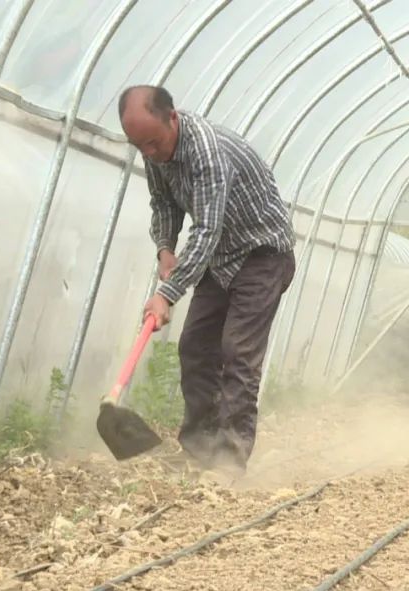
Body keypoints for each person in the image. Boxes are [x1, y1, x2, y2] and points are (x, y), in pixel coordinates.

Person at [118, 85, 296, 476]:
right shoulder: (153, 148)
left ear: (173, 119)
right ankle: (199, 448)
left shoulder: (208, 154)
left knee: (238, 352)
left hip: (262, 255)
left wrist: (167, 293)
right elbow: (163, 202)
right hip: (220, 258)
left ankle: (230, 460)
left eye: (153, 143)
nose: (149, 153)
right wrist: (165, 247)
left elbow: (207, 229)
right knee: (196, 347)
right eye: (138, 146)